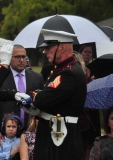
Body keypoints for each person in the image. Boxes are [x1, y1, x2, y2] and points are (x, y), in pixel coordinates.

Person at [30, 29, 87, 160]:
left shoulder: (69, 73)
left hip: (61, 138)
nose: (45, 51)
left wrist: (36, 95)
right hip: (54, 135)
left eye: (49, 47)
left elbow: (42, 100)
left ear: (62, 47)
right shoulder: (60, 70)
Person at [0, 44, 44, 150]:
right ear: (10, 58)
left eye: (24, 57)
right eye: (17, 57)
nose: (21, 60)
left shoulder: (37, 78)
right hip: (6, 135)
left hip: (30, 132)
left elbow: (41, 106)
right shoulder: (0, 78)